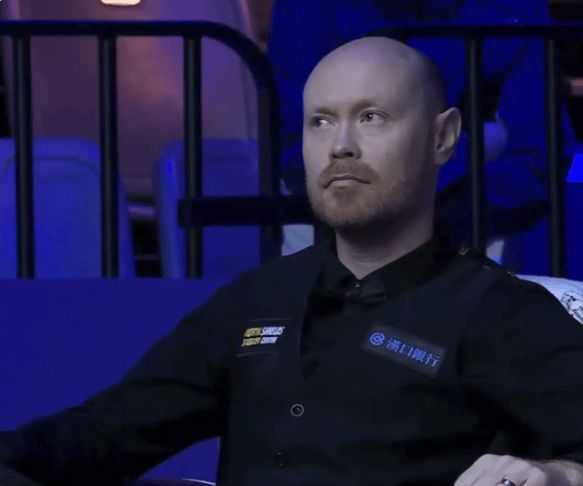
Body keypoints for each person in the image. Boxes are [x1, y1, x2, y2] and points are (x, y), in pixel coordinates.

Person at [2, 37, 583, 486]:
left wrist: (555, 474)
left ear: (443, 138)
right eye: (320, 121)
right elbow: (106, 433)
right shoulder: (254, 301)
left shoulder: (503, 315)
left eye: (372, 117)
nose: (340, 145)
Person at [271, 0, 580, 277]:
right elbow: (293, 146)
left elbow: (541, 152)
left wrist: (440, 209)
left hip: (474, 222)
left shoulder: (515, 7)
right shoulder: (309, 8)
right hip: (337, 223)